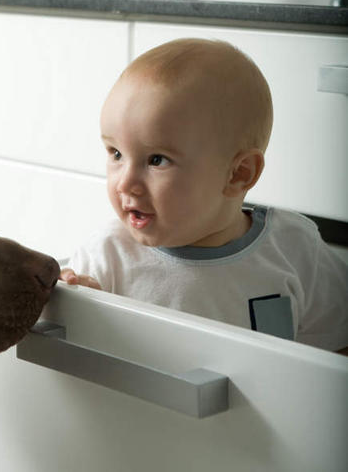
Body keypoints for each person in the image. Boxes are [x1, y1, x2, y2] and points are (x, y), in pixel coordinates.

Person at [60, 38, 348, 352]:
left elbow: (336, 353)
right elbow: (71, 356)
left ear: (239, 174)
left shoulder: (295, 249)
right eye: (116, 153)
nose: (125, 183)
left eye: (157, 159)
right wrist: (76, 302)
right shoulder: (107, 256)